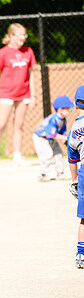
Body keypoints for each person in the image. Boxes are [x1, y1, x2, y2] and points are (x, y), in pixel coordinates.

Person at [0, 23, 37, 168]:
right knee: (1, 124)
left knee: (19, 125)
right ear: (12, 36)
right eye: (20, 35)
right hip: (6, 93)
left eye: (24, 35)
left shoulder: (28, 51)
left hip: (23, 93)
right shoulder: (3, 53)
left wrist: (33, 95)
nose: (23, 38)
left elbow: (31, 74)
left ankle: (17, 156)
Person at [33, 95, 74, 181]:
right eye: (69, 109)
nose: (70, 111)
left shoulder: (63, 120)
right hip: (40, 137)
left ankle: (60, 173)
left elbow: (62, 134)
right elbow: (52, 134)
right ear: (60, 110)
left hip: (51, 138)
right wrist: (64, 138)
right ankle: (43, 174)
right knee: (47, 154)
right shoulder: (53, 119)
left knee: (59, 153)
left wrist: (65, 140)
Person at [66, 85, 84, 269]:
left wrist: (74, 180)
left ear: (76, 104)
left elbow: (73, 157)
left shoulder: (75, 128)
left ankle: (81, 254)